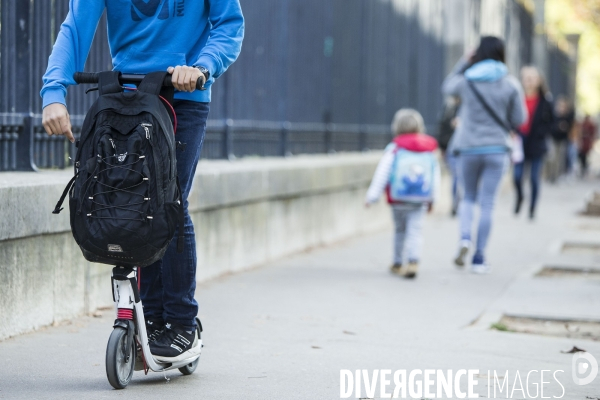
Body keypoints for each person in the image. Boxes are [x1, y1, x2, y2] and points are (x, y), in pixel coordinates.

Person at [41, 1, 244, 361]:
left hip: (184, 95)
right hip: (128, 95)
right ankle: (150, 321)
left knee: (170, 202)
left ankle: (182, 324)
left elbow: (228, 26)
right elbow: (75, 27)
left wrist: (201, 66)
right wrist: (53, 91)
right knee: (137, 204)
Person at [443, 36, 526, 274]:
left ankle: (464, 239)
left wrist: (463, 62)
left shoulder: (467, 80)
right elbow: (520, 119)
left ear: (477, 53)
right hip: (497, 149)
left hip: (467, 147)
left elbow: (446, 87)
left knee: (467, 197)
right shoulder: (510, 83)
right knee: (487, 203)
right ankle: (479, 258)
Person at [365, 109, 440, 279]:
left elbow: (382, 173)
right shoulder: (428, 150)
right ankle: (413, 261)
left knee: (399, 231)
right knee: (416, 231)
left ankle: (398, 262)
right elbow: (435, 176)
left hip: (398, 199)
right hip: (420, 199)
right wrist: (433, 200)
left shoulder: (394, 149)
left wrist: (372, 196)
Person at [513, 66, 555, 220]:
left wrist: (541, 133)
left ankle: (532, 208)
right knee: (517, 176)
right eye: (526, 77)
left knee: (534, 178)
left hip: (536, 143)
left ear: (539, 80)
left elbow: (552, 123)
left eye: (532, 77)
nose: (529, 81)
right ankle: (520, 197)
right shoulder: (516, 97)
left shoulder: (546, 100)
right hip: (519, 141)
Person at [438, 96, 461, 216]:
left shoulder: (468, 108)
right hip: (451, 149)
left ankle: (462, 202)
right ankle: (455, 203)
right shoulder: (449, 108)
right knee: (456, 177)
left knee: (461, 178)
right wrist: (442, 147)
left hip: (466, 149)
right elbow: (442, 128)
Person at [549, 96, 575, 182]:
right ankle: (551, 175)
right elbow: (550, 126)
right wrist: (558, 126)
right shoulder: (553, 115)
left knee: (561, 158)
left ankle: (557, 175)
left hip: (563, 139)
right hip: (553, 138)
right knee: (552, 157)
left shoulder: (568, 116)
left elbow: (571, 126)